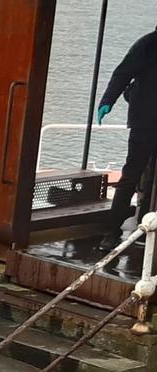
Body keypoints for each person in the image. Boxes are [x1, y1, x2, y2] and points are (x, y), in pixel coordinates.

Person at [97, 26, 157, 230]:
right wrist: (107, 100)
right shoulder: (147, 45)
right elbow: (122, 73)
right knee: (132, 172)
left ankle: (145, 225)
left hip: (144, 118)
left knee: (151, 179)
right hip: (144, 122)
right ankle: (112, 230)